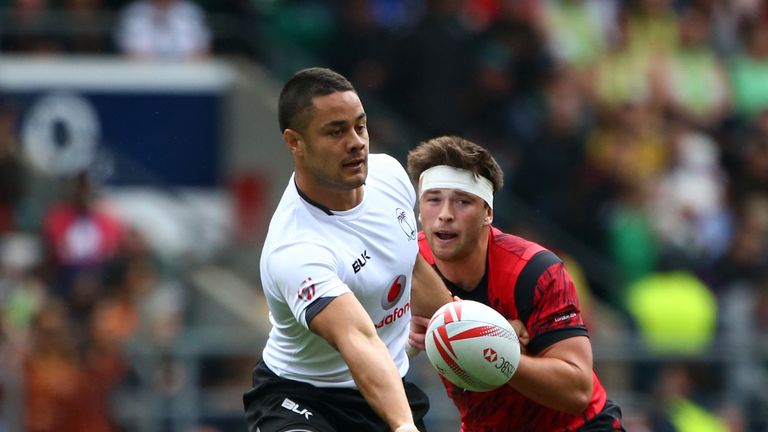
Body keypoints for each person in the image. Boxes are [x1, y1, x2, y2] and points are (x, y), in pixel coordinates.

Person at [242, 67, 451, 432]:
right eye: (336, 131)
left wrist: (465, 325)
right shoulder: (295, 248)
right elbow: (358, 338)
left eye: (360, 126)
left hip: (387, 388)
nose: (356, 142)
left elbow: (411, 267)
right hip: (300, 399)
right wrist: (404, 427)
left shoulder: (390, 176)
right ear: (295, 142)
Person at [406, 135, 625, 431]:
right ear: (420, 209)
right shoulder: (406, 261)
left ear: (488, 213)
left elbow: (577, 391)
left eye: (462, 201)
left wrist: (492, 349)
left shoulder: (535, 271)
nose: (445, 214)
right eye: (433, 199)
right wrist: (402, 340)